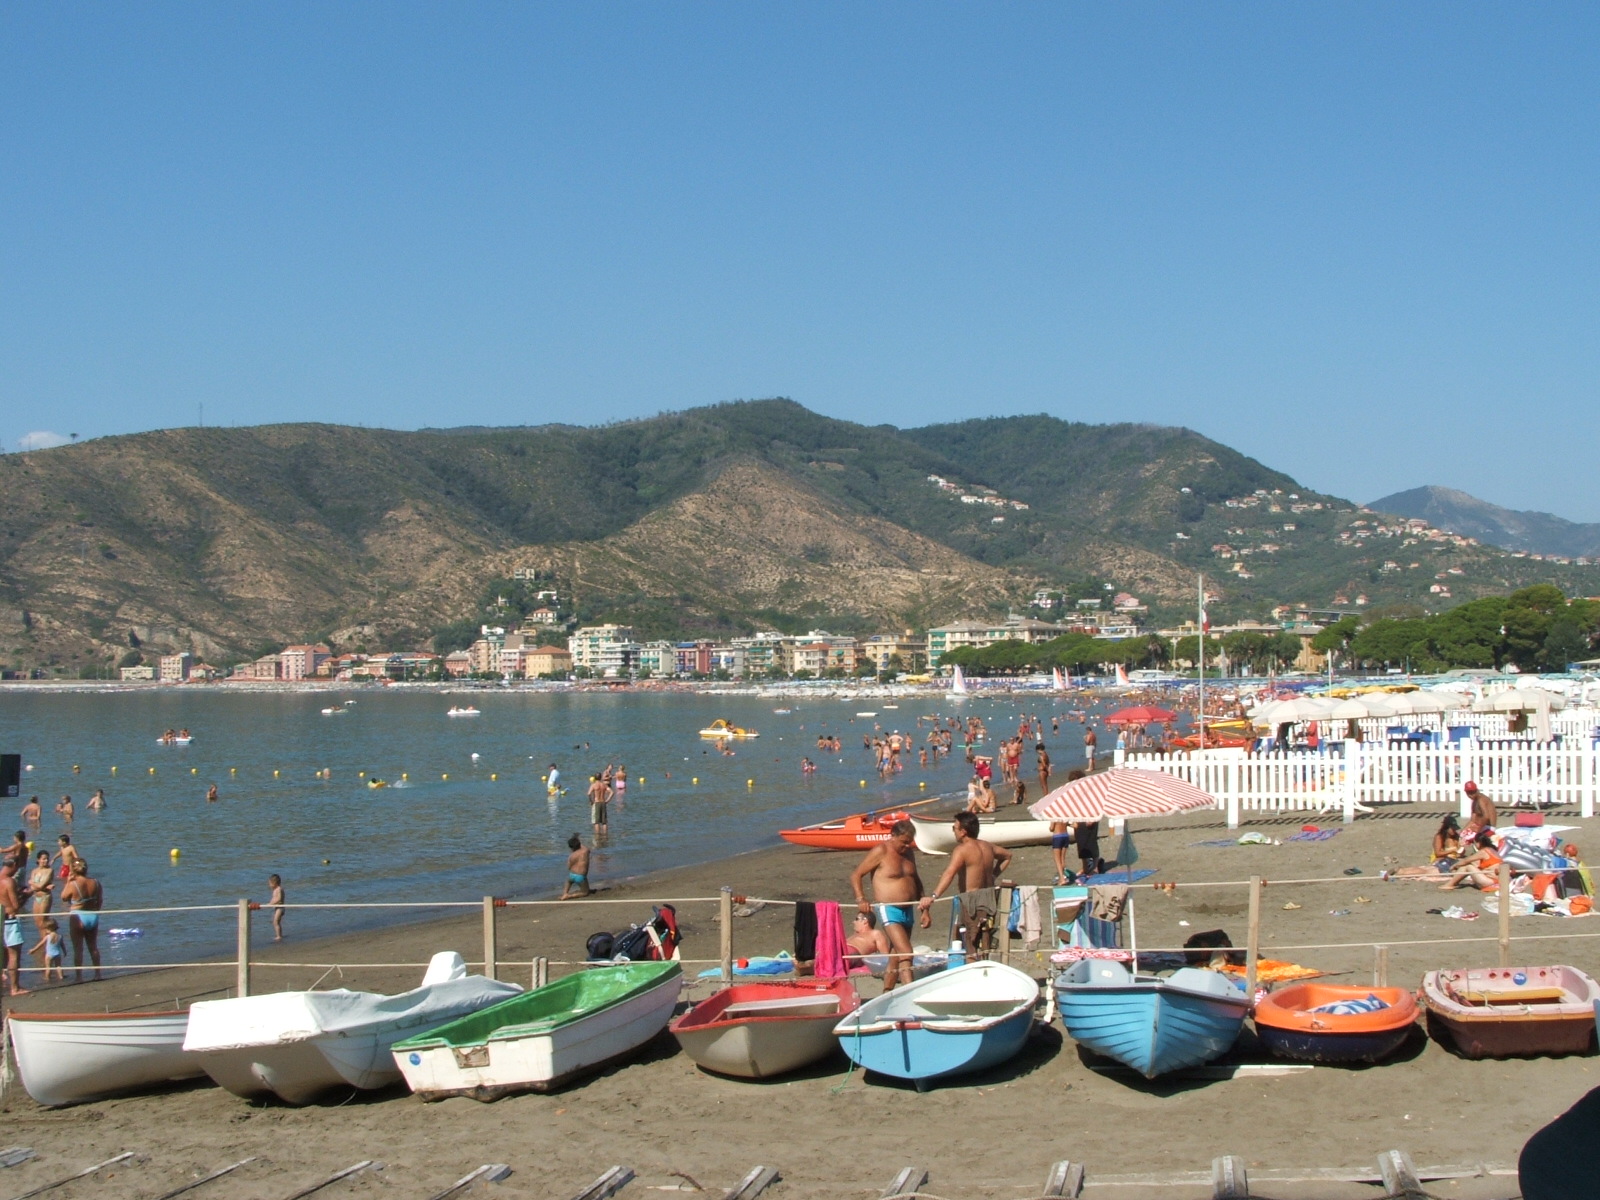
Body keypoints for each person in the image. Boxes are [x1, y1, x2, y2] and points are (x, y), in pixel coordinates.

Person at [919, 812, 1014, 959]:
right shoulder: (987, 846)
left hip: (972, 902)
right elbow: (1007, 856)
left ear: (963, 832)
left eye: (954, 828)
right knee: (985, 942)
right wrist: (994, 875)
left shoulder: (962, 850)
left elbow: (949, 873)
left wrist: (933, 896)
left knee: (970, 945)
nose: (953, 831)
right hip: (989, 899)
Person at [849, 819, 926, 991]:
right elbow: (856, 875)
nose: (906, 846)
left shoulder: (909, 853)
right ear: (893, 836)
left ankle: (887, 991)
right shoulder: (881, 851)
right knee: (905, 952)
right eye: (903, 842)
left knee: (895, 955)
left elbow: (916, 879)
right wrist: (861, 899)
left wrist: (925, 906)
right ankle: (910, 992)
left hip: (908, 908)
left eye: (909, 842)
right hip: (888, 908)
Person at [60, 859, 102, 982]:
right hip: (92, 915)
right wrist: (95, 911)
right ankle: (97, 974)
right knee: (93, 947)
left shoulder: (73, 883)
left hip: (78, 915)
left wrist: (67, 882)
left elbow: (63, 897)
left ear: (73, 870)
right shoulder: (96, 882)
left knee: (78, 948)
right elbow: (99, 900)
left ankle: (79, 977)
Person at [2, 859, 27, 994]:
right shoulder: (9, 881)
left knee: (3, 953)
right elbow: (15, 906)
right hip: (9, 920)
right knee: (14, 953)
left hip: (1, 920)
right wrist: (27, 895)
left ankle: (4, 979)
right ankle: (14, 988)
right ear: (13, 866)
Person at [29, 917, 64, 983]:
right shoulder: (60, 936)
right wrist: (64, 952)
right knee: (58, 966)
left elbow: (40, 944)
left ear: (49, 929)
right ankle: (61, 977)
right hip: (57, 954)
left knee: (48, 967)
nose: (45, 931)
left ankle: (47, 978)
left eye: (46, 929)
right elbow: (62, 945)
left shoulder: (48, 937)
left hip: (49, 955)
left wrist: (33, 950)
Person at [28, 849, 53, 931]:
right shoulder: (34, 871)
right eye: (43, 859)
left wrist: (32, 883)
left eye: (47, 859)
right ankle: (43, 940)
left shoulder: (49, 871)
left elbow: (40, 885)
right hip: (36, 897)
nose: (45, 861)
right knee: (37, 922)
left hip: (45, 897)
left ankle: (45, 941)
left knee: (43, 922)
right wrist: (43, 887)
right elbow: (33, 888)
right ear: (38, 860)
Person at [561, 835, 591, 899]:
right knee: (585, 892)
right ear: (579, 844)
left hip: (572, 875)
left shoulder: (571, 856)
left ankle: (565, 893)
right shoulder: (585, 851)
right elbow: (587, 849)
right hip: (580, 876)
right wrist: (578, 841)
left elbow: (569, 867)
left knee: (569, 881)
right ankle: (569, 896)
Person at [1050, 820, 1073, 886]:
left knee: (1057, 859)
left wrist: (1050, 827)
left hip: (1057, 836)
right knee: (1062, 859)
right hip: (1065, 835)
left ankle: (1062, 879)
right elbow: (1067, 824)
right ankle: (1063, 876)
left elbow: (1051, 828)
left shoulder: (1054, 816)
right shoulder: (1064, 815)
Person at [267, 874, 285, 940]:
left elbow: (279, 899)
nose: (269, 885)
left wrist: (271, 903)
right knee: (277, 922)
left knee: (275, 921)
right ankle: (280, 935)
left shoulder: (279, 889)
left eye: (270, 884)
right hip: (277, 908)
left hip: (280, 908)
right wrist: (270, 903)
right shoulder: (275, 890)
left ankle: (279, 936)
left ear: (274, 883)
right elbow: (274, 898)